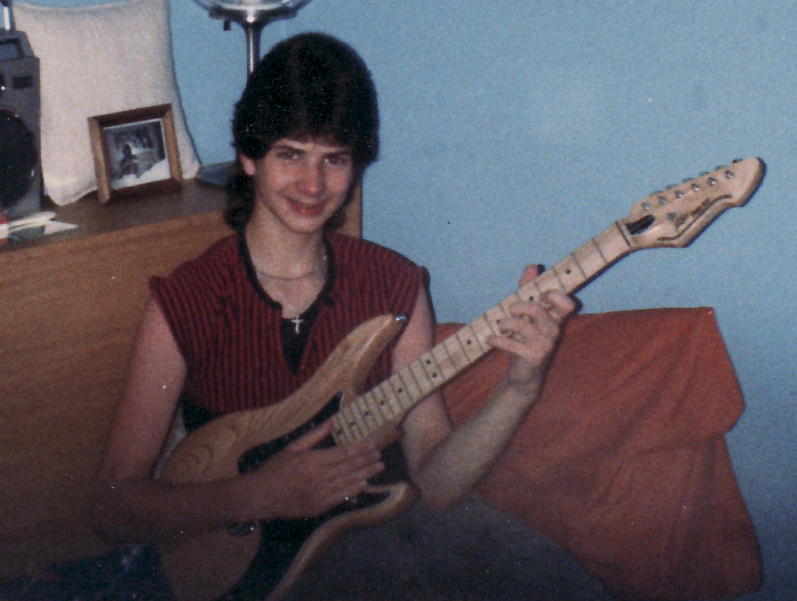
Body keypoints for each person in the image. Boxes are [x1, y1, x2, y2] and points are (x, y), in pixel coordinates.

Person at [92, 32, 613, 601]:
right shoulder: (186, 300)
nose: (313, 186)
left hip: (376, 534)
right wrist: (261, 494)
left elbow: (435, 484)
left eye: (334, 160)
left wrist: (521, 385)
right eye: (291, 154)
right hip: (245, 562)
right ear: (248, 156)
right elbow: (113, 508)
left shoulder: (395, 284)